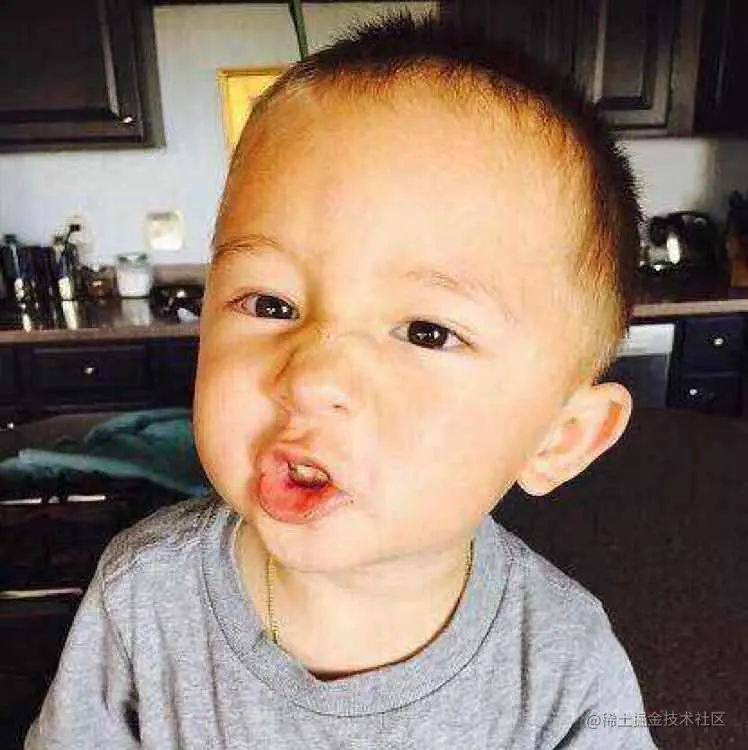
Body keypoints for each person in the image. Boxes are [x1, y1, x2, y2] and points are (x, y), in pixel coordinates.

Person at [26, 12, 657, 749]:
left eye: (427, 331)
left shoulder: (564, 665)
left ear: (560, 438)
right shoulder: (142, 597)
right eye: (270, 304)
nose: (310, 377)